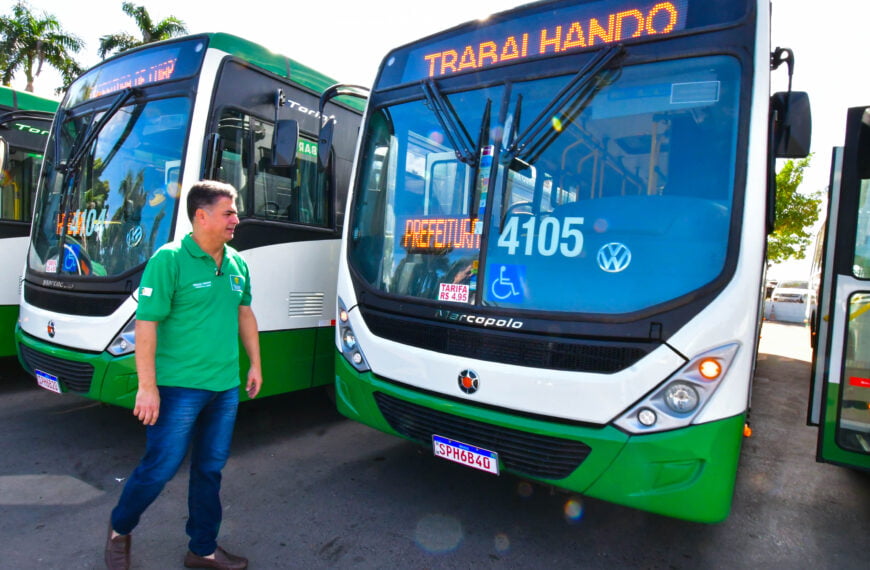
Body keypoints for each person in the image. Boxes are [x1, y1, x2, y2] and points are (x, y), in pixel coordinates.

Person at [105, 180, 262, 570]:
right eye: (228, 213)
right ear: (201, 215)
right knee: (160, 467)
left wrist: (255, 363)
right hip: (178, 389)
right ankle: (119, 529)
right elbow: (146, 324)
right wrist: (147, 387)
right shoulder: (169, 260)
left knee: (210, 470)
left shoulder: (237, 261)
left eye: (235, 212)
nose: (235, 220)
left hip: (224, 387)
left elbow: (244, 313)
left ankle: (203, 549)